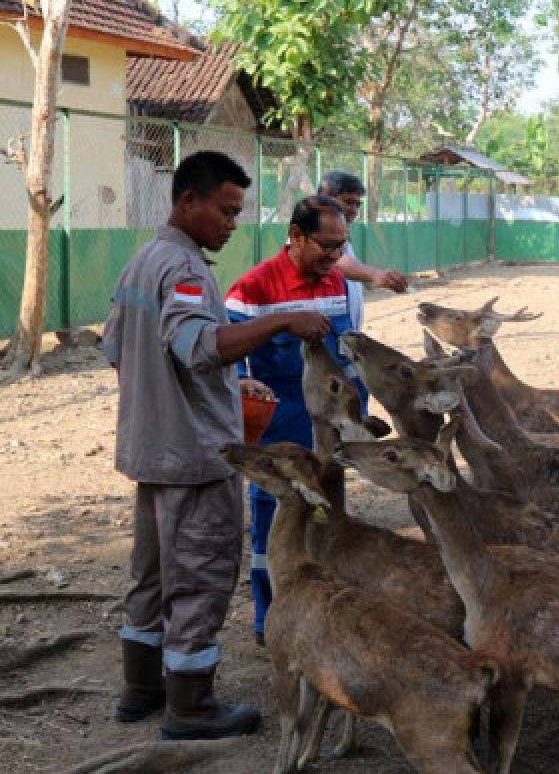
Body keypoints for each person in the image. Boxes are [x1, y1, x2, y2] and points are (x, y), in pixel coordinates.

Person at [103, 151, 330, 739]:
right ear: (189, 202)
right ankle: (192, 707)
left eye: (238, 212)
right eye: (226, 211)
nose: (233, 223)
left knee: (150, 575)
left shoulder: (142, 261)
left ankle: (141, 690)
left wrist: (228, 383)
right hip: (196, 458)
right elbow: (198, 346)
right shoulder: (184, 269)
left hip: (151, 448)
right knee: (200, 578)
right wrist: (282, 321)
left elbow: (118, 349)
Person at [223, 195, 366, 645]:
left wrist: (357, 416)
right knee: (275, 528)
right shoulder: (251, 291)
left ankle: (326, 613)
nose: (334, 256)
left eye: (341, 246)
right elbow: (231, 369)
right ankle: (273, 620)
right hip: (280, 438)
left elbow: (348, 357)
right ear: (297, 236)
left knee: (329, 521)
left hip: (329, 437)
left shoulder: (337, 284)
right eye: (326, 245)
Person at [318, 170, 408, 330]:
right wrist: (375, 274)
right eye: (348, 202)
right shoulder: (310, 232)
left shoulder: (341, 234)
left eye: (357, 204)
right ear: (325, 198)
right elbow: (335, 261)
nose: (353, 210)